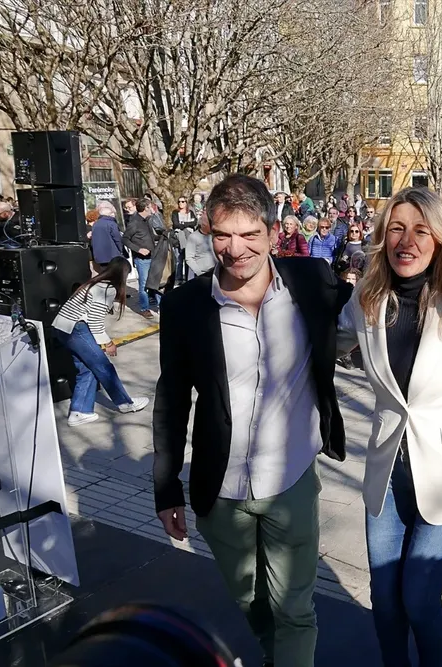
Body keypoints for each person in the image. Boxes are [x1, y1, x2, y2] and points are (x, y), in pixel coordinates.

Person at [153, 175, 352, 667]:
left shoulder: (312, 281)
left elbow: (384, 306)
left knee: (294, 610)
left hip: (291, 481)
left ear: (272, 232)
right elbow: (172, 398)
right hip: (221, 491)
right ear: (207, 232)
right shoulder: (186, 306)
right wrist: (166, 488)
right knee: (253, 604)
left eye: (249, 235)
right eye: (222, 234)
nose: (235, 249)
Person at [336, 188, 442, 667]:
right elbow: (333, 339)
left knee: (419, 598)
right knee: (385, 601)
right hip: (387, 471)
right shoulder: (366, 298)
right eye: (397, 229)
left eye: (421, 230)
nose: (407, 241)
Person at [52, 257, 149, 426]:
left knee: (88, 368)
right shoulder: (106, 289)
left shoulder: (94, 283)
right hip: (76, 329)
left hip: (61, 327)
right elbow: (95, 322)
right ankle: (125, 403)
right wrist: (108, 343)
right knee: (104, 367)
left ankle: (80, 411)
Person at [123, 199, 161, 318]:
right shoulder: (134, 222)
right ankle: (145, 308)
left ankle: (161, 305)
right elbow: (124, 239)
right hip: (142, 260)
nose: (152, 209)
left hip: (153, 256)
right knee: (144, 284)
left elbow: (150, 236)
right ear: (145, 208)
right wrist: (138, 249)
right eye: (150, 207)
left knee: (156, 282)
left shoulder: (147, 220)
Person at [89, 201, 125, 271]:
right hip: (113, 256)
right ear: (110, 214)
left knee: (106, 275)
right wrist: (121, 250)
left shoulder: (95, 224)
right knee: (115, 276)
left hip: (101, 257)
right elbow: (117, 239)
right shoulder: (111, 223)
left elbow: (94, 241)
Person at [184, 214, 216, 279]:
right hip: (202, 274)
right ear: (203, 225)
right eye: (210, 224)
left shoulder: (214, 235)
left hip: (216, 272)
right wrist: (199, 273)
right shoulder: (193, 237)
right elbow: (189, 258)